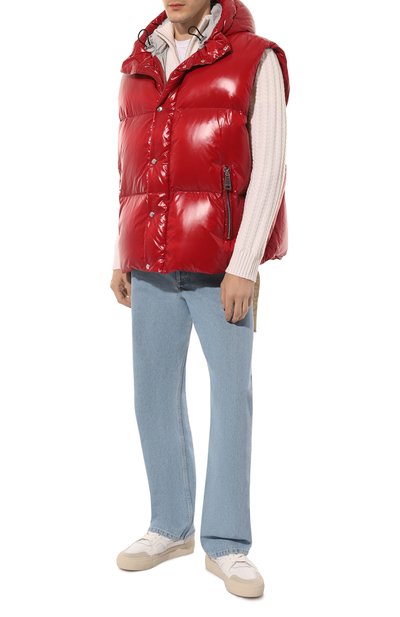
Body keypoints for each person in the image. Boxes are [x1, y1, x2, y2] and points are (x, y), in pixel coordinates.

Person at [110, 0, 289, 599]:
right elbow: (129, 167)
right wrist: (122, 249)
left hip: (222, 266)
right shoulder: (141, 60)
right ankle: (170, 526)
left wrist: (245, 263)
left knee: (231, 399)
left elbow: (270, 168)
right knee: (152, 395)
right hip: (150, 261)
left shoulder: (255, 58)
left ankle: (227, 542)